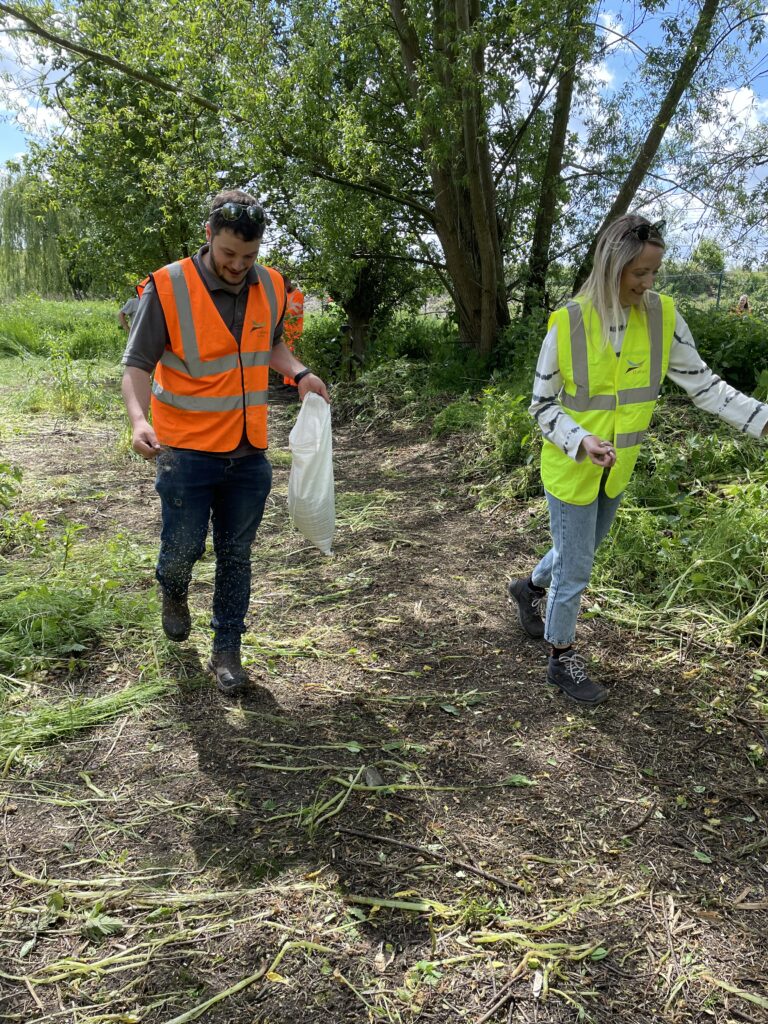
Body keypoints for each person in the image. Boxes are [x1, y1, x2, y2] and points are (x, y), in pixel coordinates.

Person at [507, 214, 768, 706]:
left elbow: (707, 388)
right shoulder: (568, 322)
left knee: (574, 554)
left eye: (654, 273)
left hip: (617, 470)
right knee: (578, 565)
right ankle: (561, 658)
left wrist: (762, 419)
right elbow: (542, 404)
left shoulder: (663, 318)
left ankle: (528, 588)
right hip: (570, 468)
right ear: (611, 266)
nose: (647, 284)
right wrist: (580, 439)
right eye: (638, 274)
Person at [121, 189, 329, 695]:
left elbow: (272, 342)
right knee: (183, 548)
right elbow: (136, 365)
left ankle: (227, 650)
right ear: (209, 235)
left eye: (250, 257)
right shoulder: (167, 287)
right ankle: (173, 590)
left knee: (236, 554)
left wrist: (299, 373)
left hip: (248, 452)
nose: (239, 266)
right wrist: (137, 419)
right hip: (184, 452)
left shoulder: (274, 285)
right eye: (229, 254)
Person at [282, 278, 305, 386]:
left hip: (295, 332)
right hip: (286, 331)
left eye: (283, 285)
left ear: (288, 283)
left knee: (294, 357)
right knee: (286, 357)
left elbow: (293, 312)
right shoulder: (284, 294)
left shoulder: (298, 295)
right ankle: (287, 383)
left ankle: (294, 384)